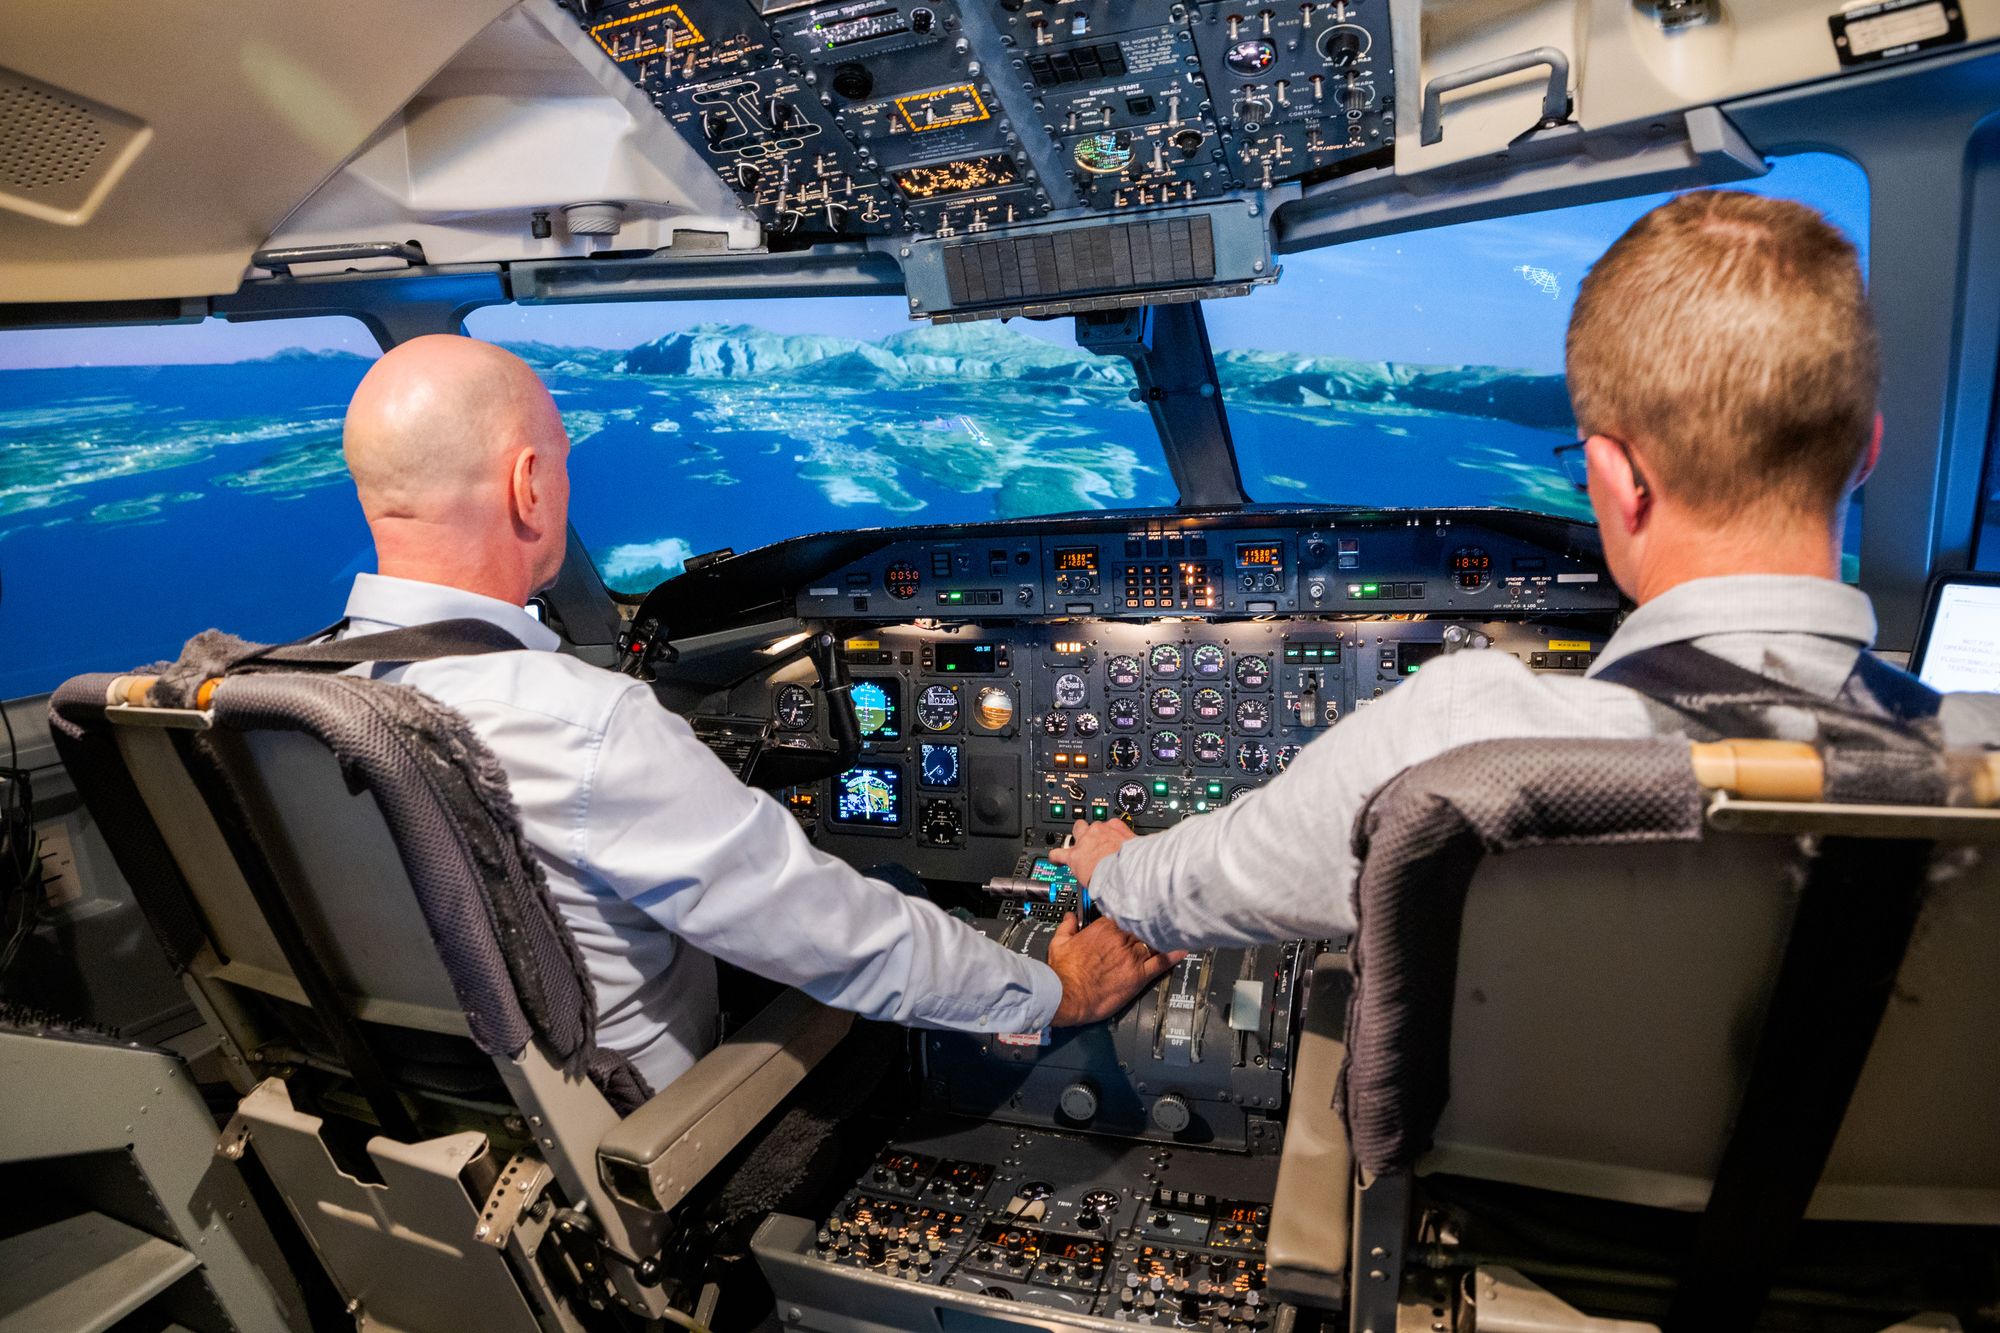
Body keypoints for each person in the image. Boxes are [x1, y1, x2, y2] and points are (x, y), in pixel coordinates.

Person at [1055, 189, 1998, 948]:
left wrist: (1112, 867)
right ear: (1866, 452)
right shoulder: (1980, 759)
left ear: (1612, 479)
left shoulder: (1464, 735)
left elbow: (1204, 885)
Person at [337, 334, 1180, 1090]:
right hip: (660, 1140)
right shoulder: (582, 726)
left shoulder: (288, 698)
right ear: (529, 486)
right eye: (560, 463)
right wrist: (1057, 989)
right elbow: (840, 939)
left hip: (421, 1106)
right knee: (883, 909)